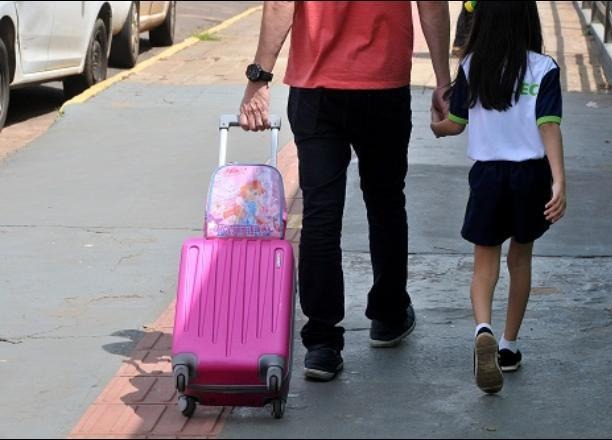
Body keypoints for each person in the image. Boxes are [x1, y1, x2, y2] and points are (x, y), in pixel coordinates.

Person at [239, 1, 451, 382]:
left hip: (316, 88)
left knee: (321, 214)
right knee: (386, 202)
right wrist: (443, 81)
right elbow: (432, 5)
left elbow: (279, 5)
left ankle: (321, 344)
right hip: (384, 86)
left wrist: (259, 78)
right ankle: (388, 316)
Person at [431, 1, 566, 394]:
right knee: (520, 259)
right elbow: (549, 125)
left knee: (483, 264)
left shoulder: (473, 67)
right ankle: (508, 347)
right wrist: (559, 181)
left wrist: (435, 127)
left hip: (488, 176)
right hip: (531, 176)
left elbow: (455, 124)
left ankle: (482, 328)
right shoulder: (544, 68)